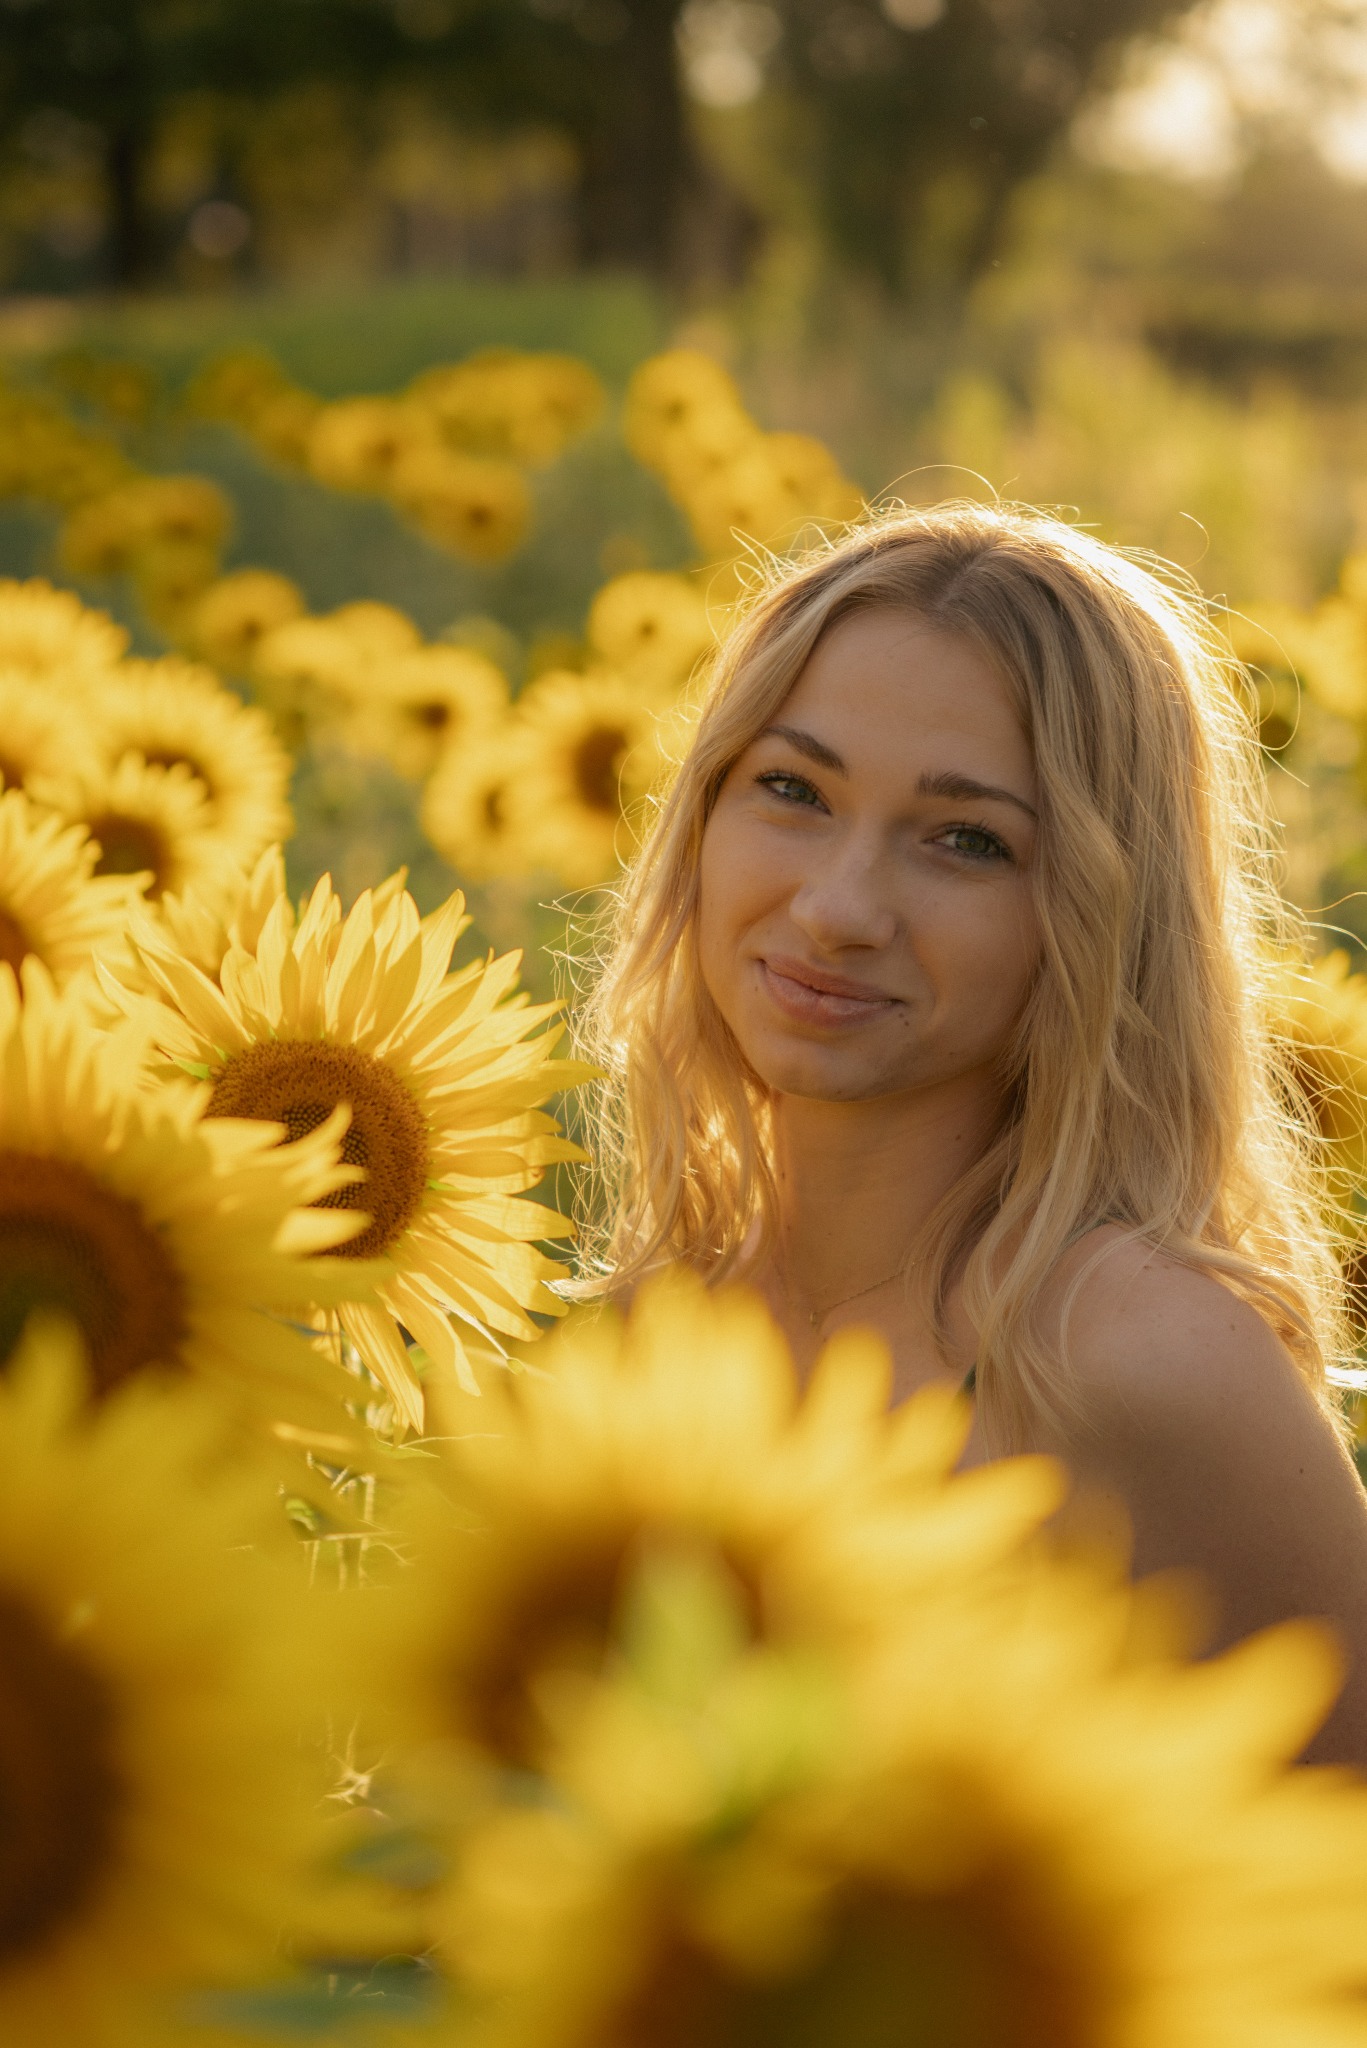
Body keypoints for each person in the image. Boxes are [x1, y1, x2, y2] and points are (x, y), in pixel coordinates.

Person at [576, 501, 1367, 1767]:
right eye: (791, 787)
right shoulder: (652, 1316)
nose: (836, 907)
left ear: (1101, 914)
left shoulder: (1132, 1356)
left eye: (965, 840)